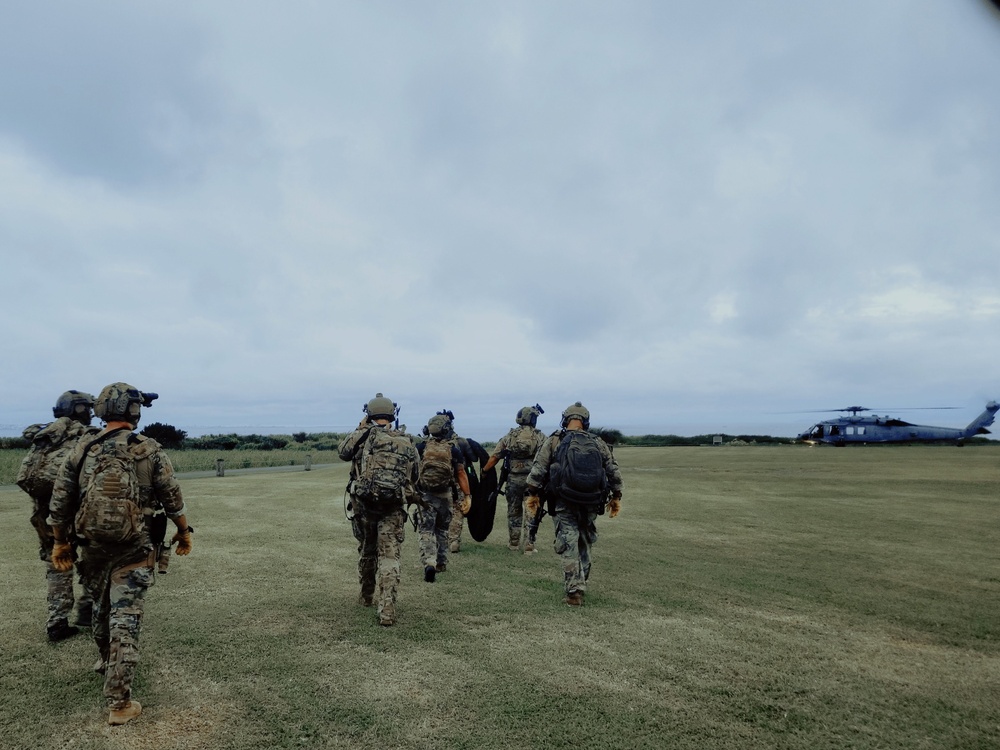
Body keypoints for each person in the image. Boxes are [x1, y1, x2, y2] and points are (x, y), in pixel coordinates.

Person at [49, 383, 192, 726]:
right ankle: (119, 702)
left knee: (99, 607)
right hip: (135, 547)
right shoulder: (148, 449)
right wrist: (184, 531)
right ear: (133, 411)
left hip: (92, 547)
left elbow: (60, 502)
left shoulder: (83, 447)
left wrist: (59, 542)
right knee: (125, 621)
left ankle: (104, 661)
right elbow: (172, 497)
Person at [16, 390, 99, 641]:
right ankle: (89, 610)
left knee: (57, 565)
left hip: (43, 513)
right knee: (92, 559)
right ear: (79, 409)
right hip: (74, 510)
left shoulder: (45, 435)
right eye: (87, 407)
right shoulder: (84, 436)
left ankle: (57, 622)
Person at [525, 402, 623, 606]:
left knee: (569, 543)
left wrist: (532, 493)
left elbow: (538, 470)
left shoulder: (554, 440)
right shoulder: (597, 442)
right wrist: (617, 496)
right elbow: (613, 470)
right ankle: (582, 581)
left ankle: (574, 591)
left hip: (564, 501)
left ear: (565, 419)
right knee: (584, 541)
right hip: (591, 502)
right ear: (585, 421)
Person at [338, 393, 420, 626]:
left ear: (369, 414)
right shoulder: (406, 439)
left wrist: (360, 428)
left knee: (367, 549)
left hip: (364, 505)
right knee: (389, 555)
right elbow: (415, 475)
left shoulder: (363, 435)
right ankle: (387, 610)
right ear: (392, 415)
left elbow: (343, 452)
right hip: (393, 506)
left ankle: (366, 596)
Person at [414, 414, 472, 581]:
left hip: (425, 495)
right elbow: (461, 473)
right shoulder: (453, 449)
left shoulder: (421, 447)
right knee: (442, 529)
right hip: (445, 495)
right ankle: (441, 562)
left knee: (426, 529)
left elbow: (414, 469)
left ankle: (429, 563)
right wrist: (467, 495)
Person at [481, 405, 546, 552]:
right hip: (533, 482)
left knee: (514, 511)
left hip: (513, 480)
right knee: (532, 512)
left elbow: (495, 456)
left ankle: (514, 543)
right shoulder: (540, 436)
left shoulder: (509, 436)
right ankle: (529, 545)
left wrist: (485, 471)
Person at [435, 410, 487, 553]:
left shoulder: (430, 443)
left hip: (437, 482)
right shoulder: (460, 442)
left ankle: (439, 540)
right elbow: (474, 458)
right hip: (457, 481)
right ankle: (453, 541)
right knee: (458, 510)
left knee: (438, 510)